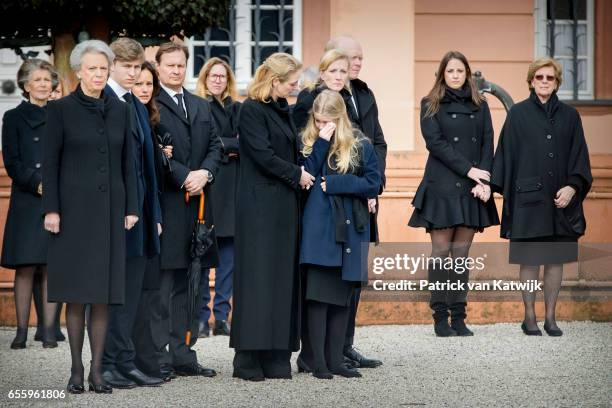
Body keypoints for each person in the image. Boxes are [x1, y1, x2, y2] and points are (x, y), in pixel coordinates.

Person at [43, 39, 139, 394]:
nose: (99, 74)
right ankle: (75, 370)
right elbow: (50, 164)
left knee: (102, 295)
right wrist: (51, 209)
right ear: (79, 71)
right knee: (76, 294)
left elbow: (127, 162)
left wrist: (131, 208)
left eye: (103, 68)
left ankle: (98, 372)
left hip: (110, 214)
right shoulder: (60, 110)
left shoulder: (121, 109)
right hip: (71, 215)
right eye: (92, 68)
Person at [491, 57, 592, 337]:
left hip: (561, 200)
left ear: (557, 82)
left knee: (555, 259)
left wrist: (573, 186)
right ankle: (529, 317)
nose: (544, 82)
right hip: (528, 201)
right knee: (530, 260)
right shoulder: (518, 114)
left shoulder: (570, 116)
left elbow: (579, 156)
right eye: (539, 77)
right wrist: (494, 187)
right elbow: (506, 155)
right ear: (531, 81)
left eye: (550, 78)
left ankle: (551, 318)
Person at [230, 52, 312, 381]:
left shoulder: (283, 110)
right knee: (258, 280)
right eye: (291, 82)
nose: (295, 86)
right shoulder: (251, 109)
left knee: (282, 280)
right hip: (259, 209)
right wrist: (298, 174)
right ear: (274, 81)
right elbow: (262, 155)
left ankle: (278, 354)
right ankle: (249, 358)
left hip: (283, 208)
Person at [408, 51, 499, 336]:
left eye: (460, 71)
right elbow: (435, 143)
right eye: (451, 71)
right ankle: (439, 318)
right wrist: (470, 171)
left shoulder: (480, 105)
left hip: (472, 187)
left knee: (461, 256)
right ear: (442, 74)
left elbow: (487, 142)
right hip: (442, 185)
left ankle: (459, 318)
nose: (456, 75)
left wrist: (484, 179)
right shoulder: (430, 104)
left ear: (467, 74)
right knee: (440, 253)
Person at [299, 90, 380, 379]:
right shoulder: (309, 141)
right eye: (318, 121)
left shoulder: (360, 144)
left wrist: (335, 183)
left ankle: (336, 359)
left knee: (342, 296)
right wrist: (321, 141)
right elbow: (305, 177)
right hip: (320, 228)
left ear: (339, 118)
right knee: (319, 296)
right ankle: (316, 361)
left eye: (327, 122)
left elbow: (373, 183)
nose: (322, 126)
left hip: (352, 227)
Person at [100, 37, 164, 389]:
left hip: (140, 215)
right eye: (126, 66)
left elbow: (147, 167)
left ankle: (125, 361)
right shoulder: (105, 102)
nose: (133, 73)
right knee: (115, 293)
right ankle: (108, 362)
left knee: (134, 293)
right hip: (115, 216)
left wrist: (153, 213)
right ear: (111, 65)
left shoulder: (135, 103)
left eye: (137, 67)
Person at [155, 42, 221, 377]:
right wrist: (184, 177)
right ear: (159, 67)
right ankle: (161, 357)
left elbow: (214, 146)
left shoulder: (199, 105)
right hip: (169, 205)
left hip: (200, 207)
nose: (176, 70)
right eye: (170, 65)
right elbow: (157, 152)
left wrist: (205, 173)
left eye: (181, 65)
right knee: (165, 286)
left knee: (192, 284)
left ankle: (184, 354)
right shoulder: (151, 105)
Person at [325, 35, 386, 368]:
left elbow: (378, 142)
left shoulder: (364, 93)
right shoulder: (322, 97)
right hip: (341, 196)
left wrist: (374, 188)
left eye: (360, 58)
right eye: (351, 58)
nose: (356, 64)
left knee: (356, 275)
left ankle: (346, 345)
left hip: (365, 193)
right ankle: (328, 349)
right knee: (337, 275)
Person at [2, 59, 59, 349]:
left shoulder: (61, 115)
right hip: (26, 198)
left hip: (57, 198)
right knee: (25, 265)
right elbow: (12, 162)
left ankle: (49, 330)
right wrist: (37, 183)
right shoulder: (12, 118)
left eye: (47, 80)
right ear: (26, 85)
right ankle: (22, 331)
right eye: (37, 80)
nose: (43, 85)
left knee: (51, 265)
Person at [130, 60, 175, 382]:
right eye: (139, 84)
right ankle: (139, 360)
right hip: (134, 212)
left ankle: (149, 358)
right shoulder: (127, 113)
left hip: (152, 211)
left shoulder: (151, 117)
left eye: (149, 85)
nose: (145, 89)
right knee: (138, 292)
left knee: (150, 290)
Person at [194, 57, 241, 338]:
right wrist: (227, 145)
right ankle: (201, 317)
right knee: (202, 257)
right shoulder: (198, 106)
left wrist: (225, 144)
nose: (218, 80)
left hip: (233, 187)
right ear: (205, 78)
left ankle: (222, 317)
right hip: (208, 186)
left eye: (222, 76)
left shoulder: (238, 108)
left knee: (228, 260)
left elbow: (245, 142)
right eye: (213, 75)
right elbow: (204, 144)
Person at [292, 49, 356, 132]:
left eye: (343, 72)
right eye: (333, 71)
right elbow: (298, 137)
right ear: (322, 74)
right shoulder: (307, 99)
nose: (338, 77)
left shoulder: (346, 96)